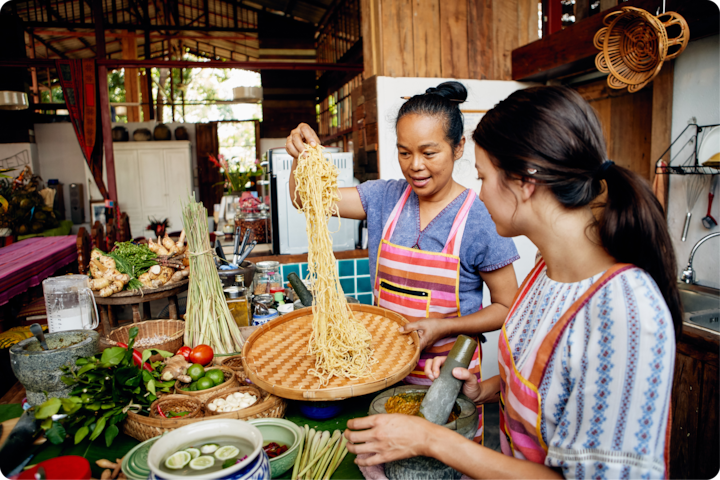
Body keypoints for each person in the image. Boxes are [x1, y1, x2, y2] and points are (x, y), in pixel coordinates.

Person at [343, 86, 681, 480]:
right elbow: (548, 394)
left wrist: (431, 440)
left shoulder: (624, 310)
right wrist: (484, 390)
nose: (480, 195)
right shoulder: (545, 272)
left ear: (525, 182)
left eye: (484, 177)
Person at [286, 81, 520, 443]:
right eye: (405, 152)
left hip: (449, 381)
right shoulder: (383, 198)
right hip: (385, 372)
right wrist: (301, 157)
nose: (416, 166)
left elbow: (507, 306)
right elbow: (307, 198)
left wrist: (442, 327)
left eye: (429, 152)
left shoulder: (480, 217)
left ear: (458, 148)